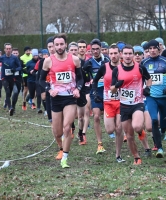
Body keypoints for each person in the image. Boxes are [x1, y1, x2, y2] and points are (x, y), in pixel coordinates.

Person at [39, 33, 83, 168]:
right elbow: (41, 80)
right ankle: (61, 146)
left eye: (61, 44)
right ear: (53, 46)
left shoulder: (74, 60)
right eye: (56, 44)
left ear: (66, 45)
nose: (59, 47)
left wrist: (78, 89)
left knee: (67, 127)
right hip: (56, 99)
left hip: (70, 98)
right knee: (57, 132)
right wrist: (49, 89)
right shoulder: (48, 61)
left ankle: (65, 157)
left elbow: (81, 79)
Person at [111, 44, 152, 165]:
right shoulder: (116, 70)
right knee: (129, 136)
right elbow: (112, 89)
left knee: (137, 127)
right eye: (126, 53)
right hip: (124, 105)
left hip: (137, 103)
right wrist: (117, 85)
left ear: (133, 55)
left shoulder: (140, 68)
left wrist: (148, 88)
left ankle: (141, 132)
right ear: (121, 55)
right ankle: (137, 157)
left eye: (130, 53)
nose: (128, 56)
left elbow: (149, 79)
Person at [92, 44, 126, 162]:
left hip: (122, 102)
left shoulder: (124, 67)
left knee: (119, 128)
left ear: (119, 54)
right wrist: (96, 93)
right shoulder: (104, 67)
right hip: (108, 102)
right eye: (111, 53)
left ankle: (118, 154)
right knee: (110, 130)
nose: (113, 56)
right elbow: (95, 81)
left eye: (115, 53)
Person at [141, 39, 166, 158]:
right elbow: (139, 78)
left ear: (159, 49)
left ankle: (162, 132)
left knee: (163, 124)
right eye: (150, 49)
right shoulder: (144, 63)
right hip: (151, 97)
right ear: (148, 50)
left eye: (155, 48)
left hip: (164, 98)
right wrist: (143, 88)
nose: (153, 50)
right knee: (154, 120)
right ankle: (159, 148)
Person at [82, 39, 110, 154]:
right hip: (96, 91)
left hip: (109, 91)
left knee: (114, 116)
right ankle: (99, 144)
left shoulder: (107, 60)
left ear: (101, 48)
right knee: (97, 116)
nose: (95, 51)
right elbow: (84, 77)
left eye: (97, 49)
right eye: (92, 49)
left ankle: (122, 134)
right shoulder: (88, 62)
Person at [0, 43, 22, 116]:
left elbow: (20, 67)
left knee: (12, 92)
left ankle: (12, 106)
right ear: (4, 49)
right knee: (8, 92)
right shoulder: (2, 58)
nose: (8, 50)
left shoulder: (14, 58)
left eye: (9, 49)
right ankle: (10, 108)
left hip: (12, 78)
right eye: (7, 49)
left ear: (11, 49)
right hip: (4, 78)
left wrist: (14, 70)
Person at [77, 39, 91, 145]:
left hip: (88, 88)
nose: (82, 49)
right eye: (80, 47)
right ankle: (79, 131)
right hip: (78, 90)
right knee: (80, 116)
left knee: (87, 111)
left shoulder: (89, 61)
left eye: (83, 47)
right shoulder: (74, 61)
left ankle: (84, 134)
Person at [20, 46, 32, 110]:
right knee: (26, 88)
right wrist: (25, 71)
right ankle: (24, 101)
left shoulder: (32, 56)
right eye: (27, 51)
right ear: (24, 51)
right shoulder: (21, 57)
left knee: (33, 88)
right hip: (25, 75)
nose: (28, 52)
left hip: (32, 74)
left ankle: (31, 101)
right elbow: (21, 66)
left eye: (29, 50)